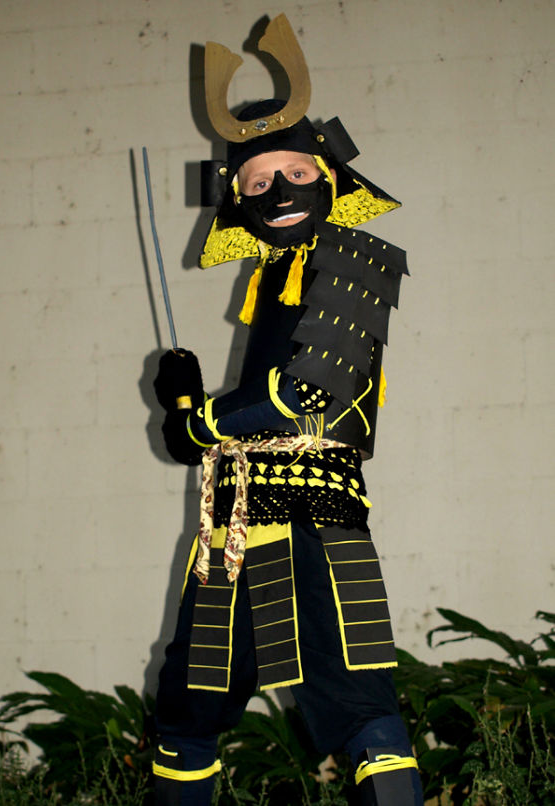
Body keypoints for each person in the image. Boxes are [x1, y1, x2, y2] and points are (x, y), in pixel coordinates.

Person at [151, 14, 423, 806]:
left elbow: (297, 393)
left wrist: (196, 418)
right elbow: (242, 412)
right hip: (236, 518)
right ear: (236, 198)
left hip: (312, 515)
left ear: (330, 177)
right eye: (256, 181)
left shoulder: (354, 257)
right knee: (188, 709)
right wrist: (186, 402)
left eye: (293, 173)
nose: (277, 191)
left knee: (357, 706)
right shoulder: (270, 280)